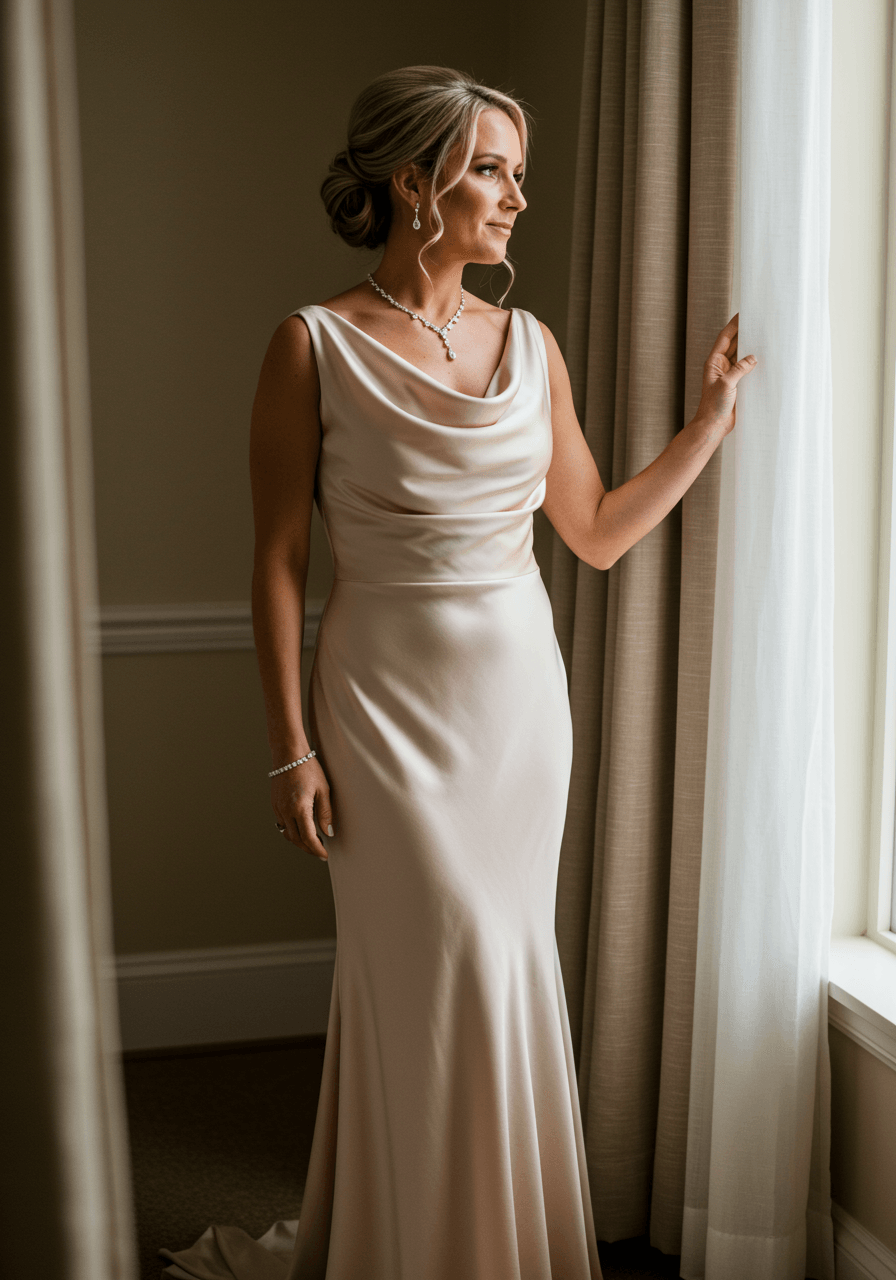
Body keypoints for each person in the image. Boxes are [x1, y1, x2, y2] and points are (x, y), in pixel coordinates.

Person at [160, 64, 756, 1280]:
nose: (516, 199)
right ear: (412, 181)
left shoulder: (528, 344)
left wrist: (704, 427)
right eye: (493, 169)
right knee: (426, 975)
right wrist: (288, 744)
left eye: (518, 174)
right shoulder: (310, 345)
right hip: (379, 705)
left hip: (517, 708)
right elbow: (275, 565)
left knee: (502, 963)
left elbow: (588, 529)